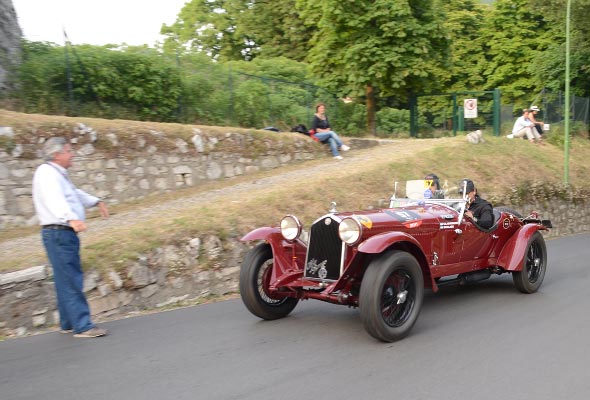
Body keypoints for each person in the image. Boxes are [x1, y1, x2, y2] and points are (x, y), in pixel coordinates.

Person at [32, 137, 110, 338]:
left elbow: (73, 194)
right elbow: (54, 200)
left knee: (64, 278)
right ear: (56, 155)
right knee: (71, 277)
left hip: (59, 233)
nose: (72, 153)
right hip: (59, 232)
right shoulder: (47, 174)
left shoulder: (57, 174)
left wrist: (96, 201)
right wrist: (71, 218)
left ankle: (68, 322)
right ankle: (83, 326)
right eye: (68, 150)